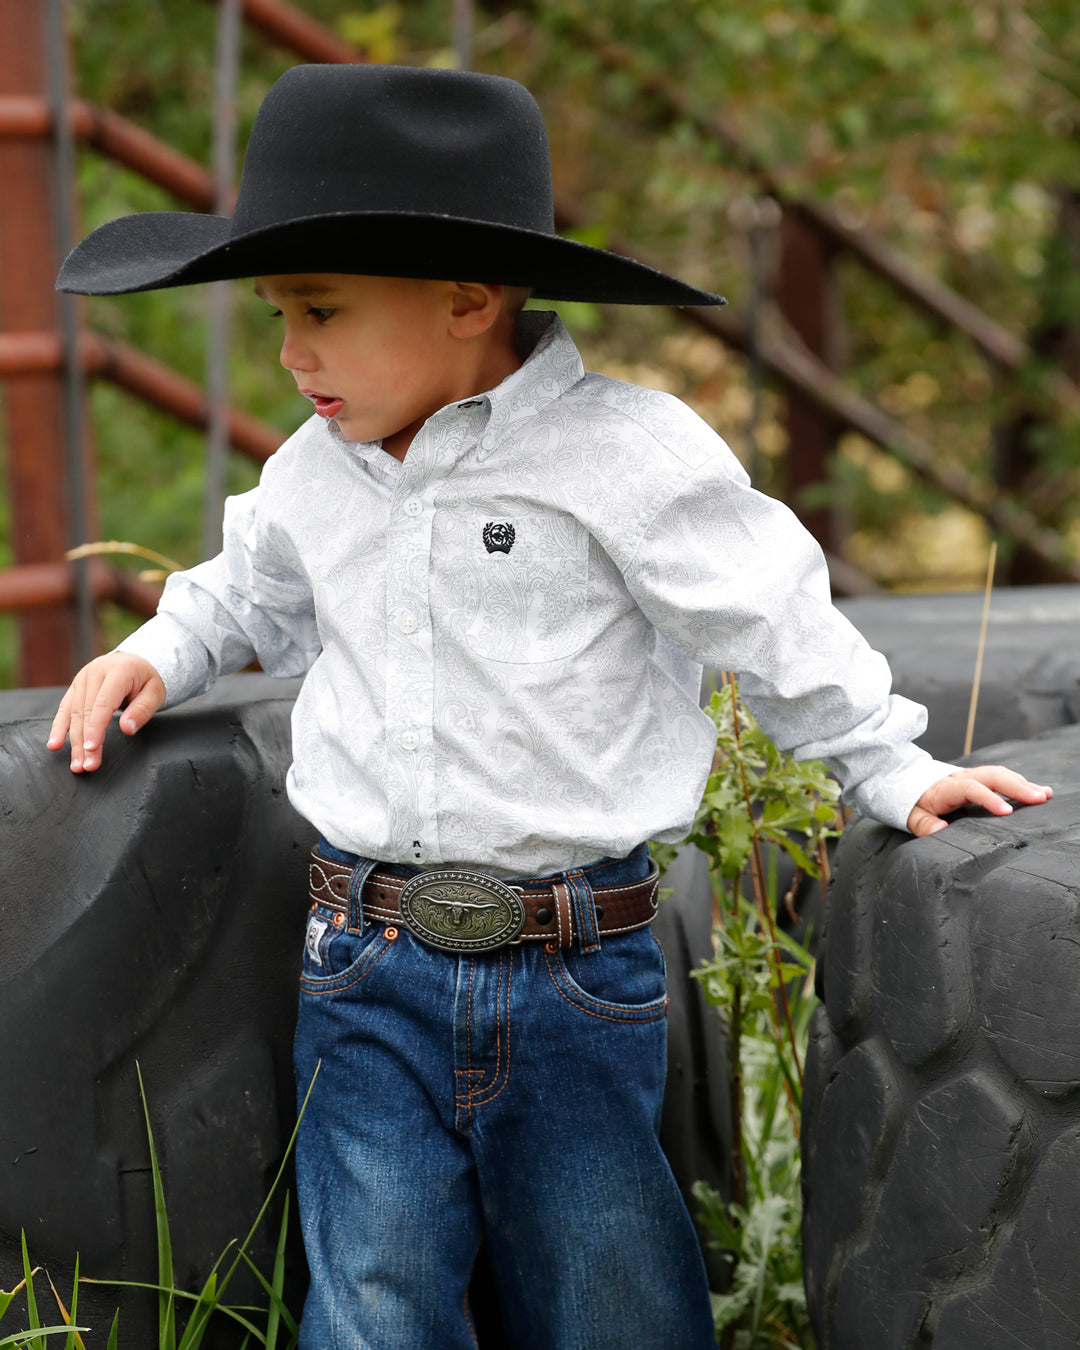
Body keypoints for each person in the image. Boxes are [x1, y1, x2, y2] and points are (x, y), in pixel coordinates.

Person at [48, 63, 1050, 1350]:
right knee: (372, 1291)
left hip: (575, 966)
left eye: (322, 311)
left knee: (607, 1289)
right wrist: (163, 650)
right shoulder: (313, 468)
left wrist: (887, 765)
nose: (292, 353)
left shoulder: (625, 454)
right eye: (279, 314)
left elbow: (769, 611)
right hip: (363, 956)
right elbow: (248, 589)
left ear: (469, 298)